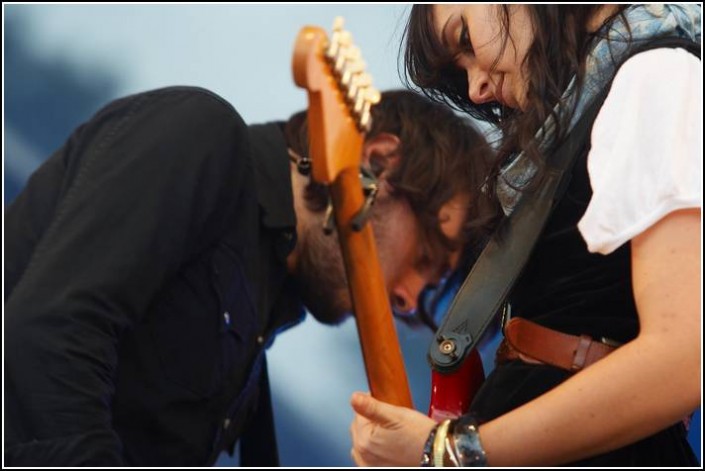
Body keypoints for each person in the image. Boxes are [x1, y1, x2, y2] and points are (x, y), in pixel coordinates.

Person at [4, 87, 497, 466]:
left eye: (430, 287)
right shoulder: (202, 137)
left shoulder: (263, 311)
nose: (409, 298)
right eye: (426, 256)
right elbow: (47, 340)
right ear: (379, 163)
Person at [350, 4, 701, 467]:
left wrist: (448, 452)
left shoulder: (656, 78)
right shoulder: (591, 108)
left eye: (465, 41)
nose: (475, 89)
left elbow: (682, 359)